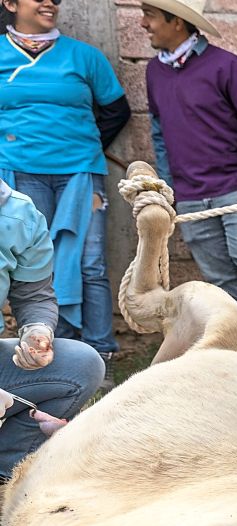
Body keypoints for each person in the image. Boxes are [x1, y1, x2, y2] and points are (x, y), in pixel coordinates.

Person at [0, 0, 129, 389]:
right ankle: (51, 346)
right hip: (17, 172)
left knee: (90, 262)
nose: (49, 3)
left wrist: (81, 145)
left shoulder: (84, 56)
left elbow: (116, 110)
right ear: (9, 3)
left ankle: (101, 348)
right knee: (36, 264)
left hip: (79, 172)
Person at [140, 0, 237, 316]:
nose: (143, 23)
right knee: (221, 282)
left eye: (150, 15)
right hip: (189, 197)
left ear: (177, 22)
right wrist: (169, 190)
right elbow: (160, 135)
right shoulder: (153, 72)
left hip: (234, 187)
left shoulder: (225, 65)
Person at [0, 180, 104, 479]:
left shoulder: (19, 213)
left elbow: (34, 295)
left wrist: (38, 331)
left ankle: (8, 473)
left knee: (80, 364)